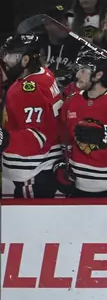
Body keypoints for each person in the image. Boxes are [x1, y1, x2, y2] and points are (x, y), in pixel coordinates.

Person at [58, 49, 107, 198]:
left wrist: (104, 135)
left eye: (83, 70)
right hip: (81, 184)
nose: (77, 75)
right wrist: (61, 165)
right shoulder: (72, 100)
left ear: (98, 75)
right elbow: (65, 139)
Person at [0, 33, 63, 198]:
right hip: (44, 166)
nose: (5, 60)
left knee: (30, 221)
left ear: (26, 60)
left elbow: (38, 136)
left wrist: (4, 138)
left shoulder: (28, 89)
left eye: (11, 56)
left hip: (33, 170)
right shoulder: (44, 74)